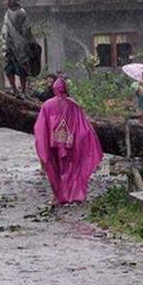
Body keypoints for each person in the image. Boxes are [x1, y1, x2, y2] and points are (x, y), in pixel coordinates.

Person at [34, 78, 104, 206]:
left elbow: (40, 127)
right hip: (70, 144)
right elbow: (83, 126)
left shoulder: (47, 105)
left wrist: (43, 142)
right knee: (72, 170)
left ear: (54, 89)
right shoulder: (74, 105)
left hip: (53, 144)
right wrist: (84, 141)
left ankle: (57, 197)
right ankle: (74, 195)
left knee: (55, 171)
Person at [1, 0, 34, 98]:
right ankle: (14, 89)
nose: (5, 2)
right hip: (8, 45)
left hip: (20, 46)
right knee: (8, 68)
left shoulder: (21, 13)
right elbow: (5, 28)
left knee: (22, 69)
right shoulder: (7, 13)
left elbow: (27, 29)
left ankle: (23, 91)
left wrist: (25, 43)